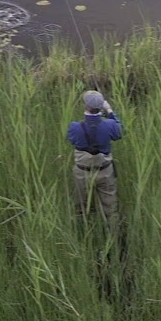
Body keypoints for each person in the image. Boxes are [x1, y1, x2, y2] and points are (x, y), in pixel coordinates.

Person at [67, 90, 124, 222]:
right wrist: (109, 111)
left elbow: (72, 140)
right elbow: (120, 131)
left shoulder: (75, 127)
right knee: (111, 209)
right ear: (100, 106)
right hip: (105, 171)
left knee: (81, 208)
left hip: (82, 172)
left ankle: (83, 235)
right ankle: (115, 237)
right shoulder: (109, 125)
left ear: (86, 106)